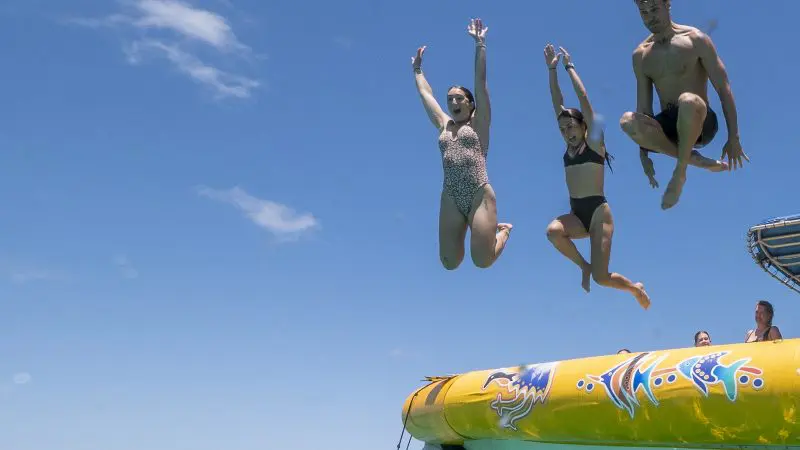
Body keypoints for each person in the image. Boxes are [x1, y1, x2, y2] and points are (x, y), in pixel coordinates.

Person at [543, 44, 650, 310]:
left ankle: (635, 288)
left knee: (603, 278)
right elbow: (557, 101)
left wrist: (569, 68)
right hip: (577, 214)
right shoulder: (568, 147)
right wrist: (551, 69)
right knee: (553, 231)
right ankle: (584, 266)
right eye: (562, 129)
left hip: (599, 214)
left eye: (571, 126)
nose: (567, 131)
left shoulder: (593, 143)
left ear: (583, 126)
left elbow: (585, 101)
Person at [619, 0, 749, 210]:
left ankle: (680, 172)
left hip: (700, 119)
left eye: (654, 9)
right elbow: (644, 109)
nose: (649, 17)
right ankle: (694, 159)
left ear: (667, 5)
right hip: (668, 126)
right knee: (627, 120)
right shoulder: (641, 55)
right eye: (643, 12)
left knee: (687, 100)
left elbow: (724, 89)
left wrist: (733, 137)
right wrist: (643, 153)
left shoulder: (696, 39)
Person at [411, 18, 512, 270]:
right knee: (449, 262)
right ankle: (471, 228)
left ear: (470, 103)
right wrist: (417, 71)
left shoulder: (480, 123)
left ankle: (504, 232)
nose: (453, 103)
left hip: (478, 193)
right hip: (451, 196)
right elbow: (426, 95)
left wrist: (480, 45)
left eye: (459, 98)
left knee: (482, 260)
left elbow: (480, 83)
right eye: (450, 99)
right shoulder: (444, 124)